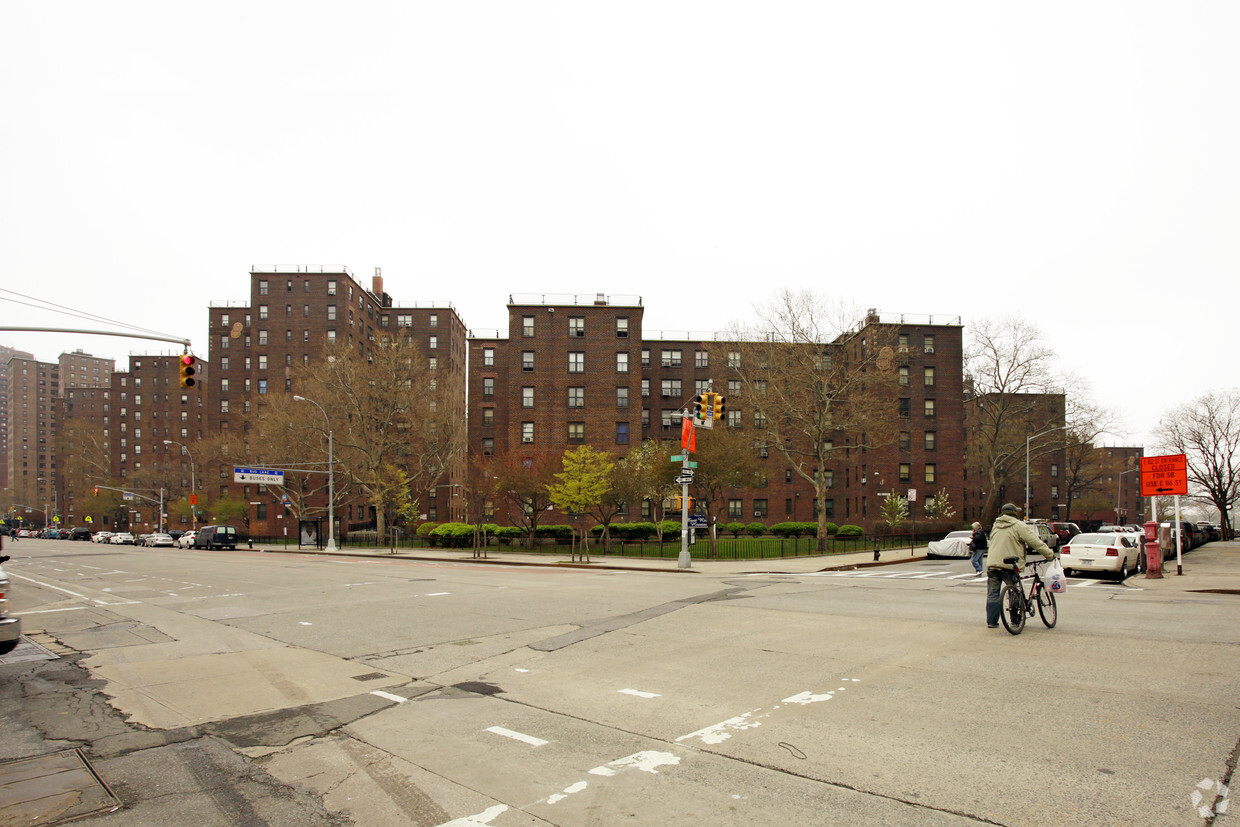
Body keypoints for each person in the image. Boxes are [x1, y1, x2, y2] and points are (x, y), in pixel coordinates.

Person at [985, 503, 1054, 628]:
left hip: (993, 564)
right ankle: (1015, 620)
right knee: (1014, 592)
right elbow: (1035, 542)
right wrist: (1050, 554)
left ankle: (992, 622)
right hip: (1009, 564)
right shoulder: (1018, 525)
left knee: (992, 594)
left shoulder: (996, 525)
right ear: (1014, 513)